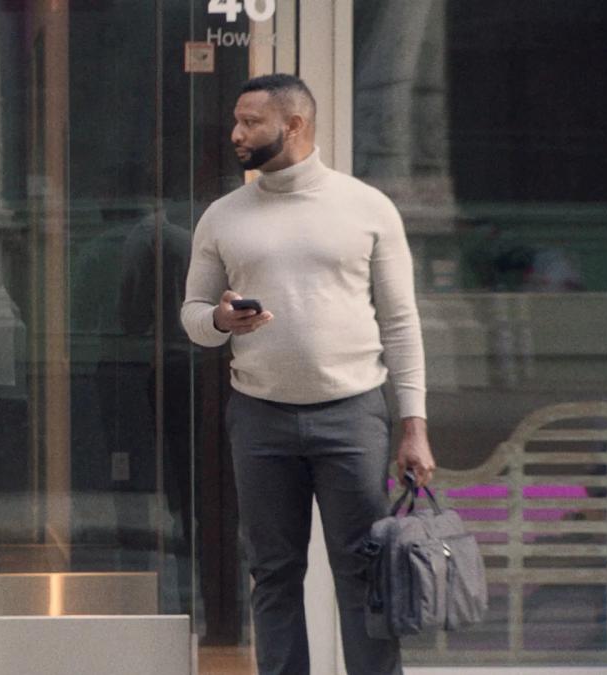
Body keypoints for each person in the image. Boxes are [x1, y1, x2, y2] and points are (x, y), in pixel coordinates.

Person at [180, 74, 436, 675]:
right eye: (236, 121)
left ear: (293, 126)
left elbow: (401, 323)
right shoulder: (223, 216)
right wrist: (218, 321)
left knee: (363, 571)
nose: (236, 133)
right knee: (272, 573)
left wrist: (414, 425)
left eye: (251, 122)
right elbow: (192, 315)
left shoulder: (367, 207)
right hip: (259, 416)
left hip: (353, 413)